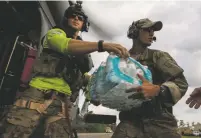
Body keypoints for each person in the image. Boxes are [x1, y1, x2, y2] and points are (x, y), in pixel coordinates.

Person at [0, 2, 129, 138]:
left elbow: (84, 78)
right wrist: (102, 45)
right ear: (66, 19)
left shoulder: (82, 53)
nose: (76, 19)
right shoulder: (55, 33)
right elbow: (65, 45)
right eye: (73, 16)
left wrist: (101, 90)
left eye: (80, 18)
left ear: (84, 24)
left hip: (63, 105)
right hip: (37, 95)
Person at [111, 18, 188, 138]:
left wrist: (158, 90)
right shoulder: (121, 60)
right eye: (147, 30)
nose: (152, 33)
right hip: (130, 122)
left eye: (153, 30)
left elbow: (181, 83)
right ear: (135, 32)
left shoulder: (158, 56)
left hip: (160, 122)